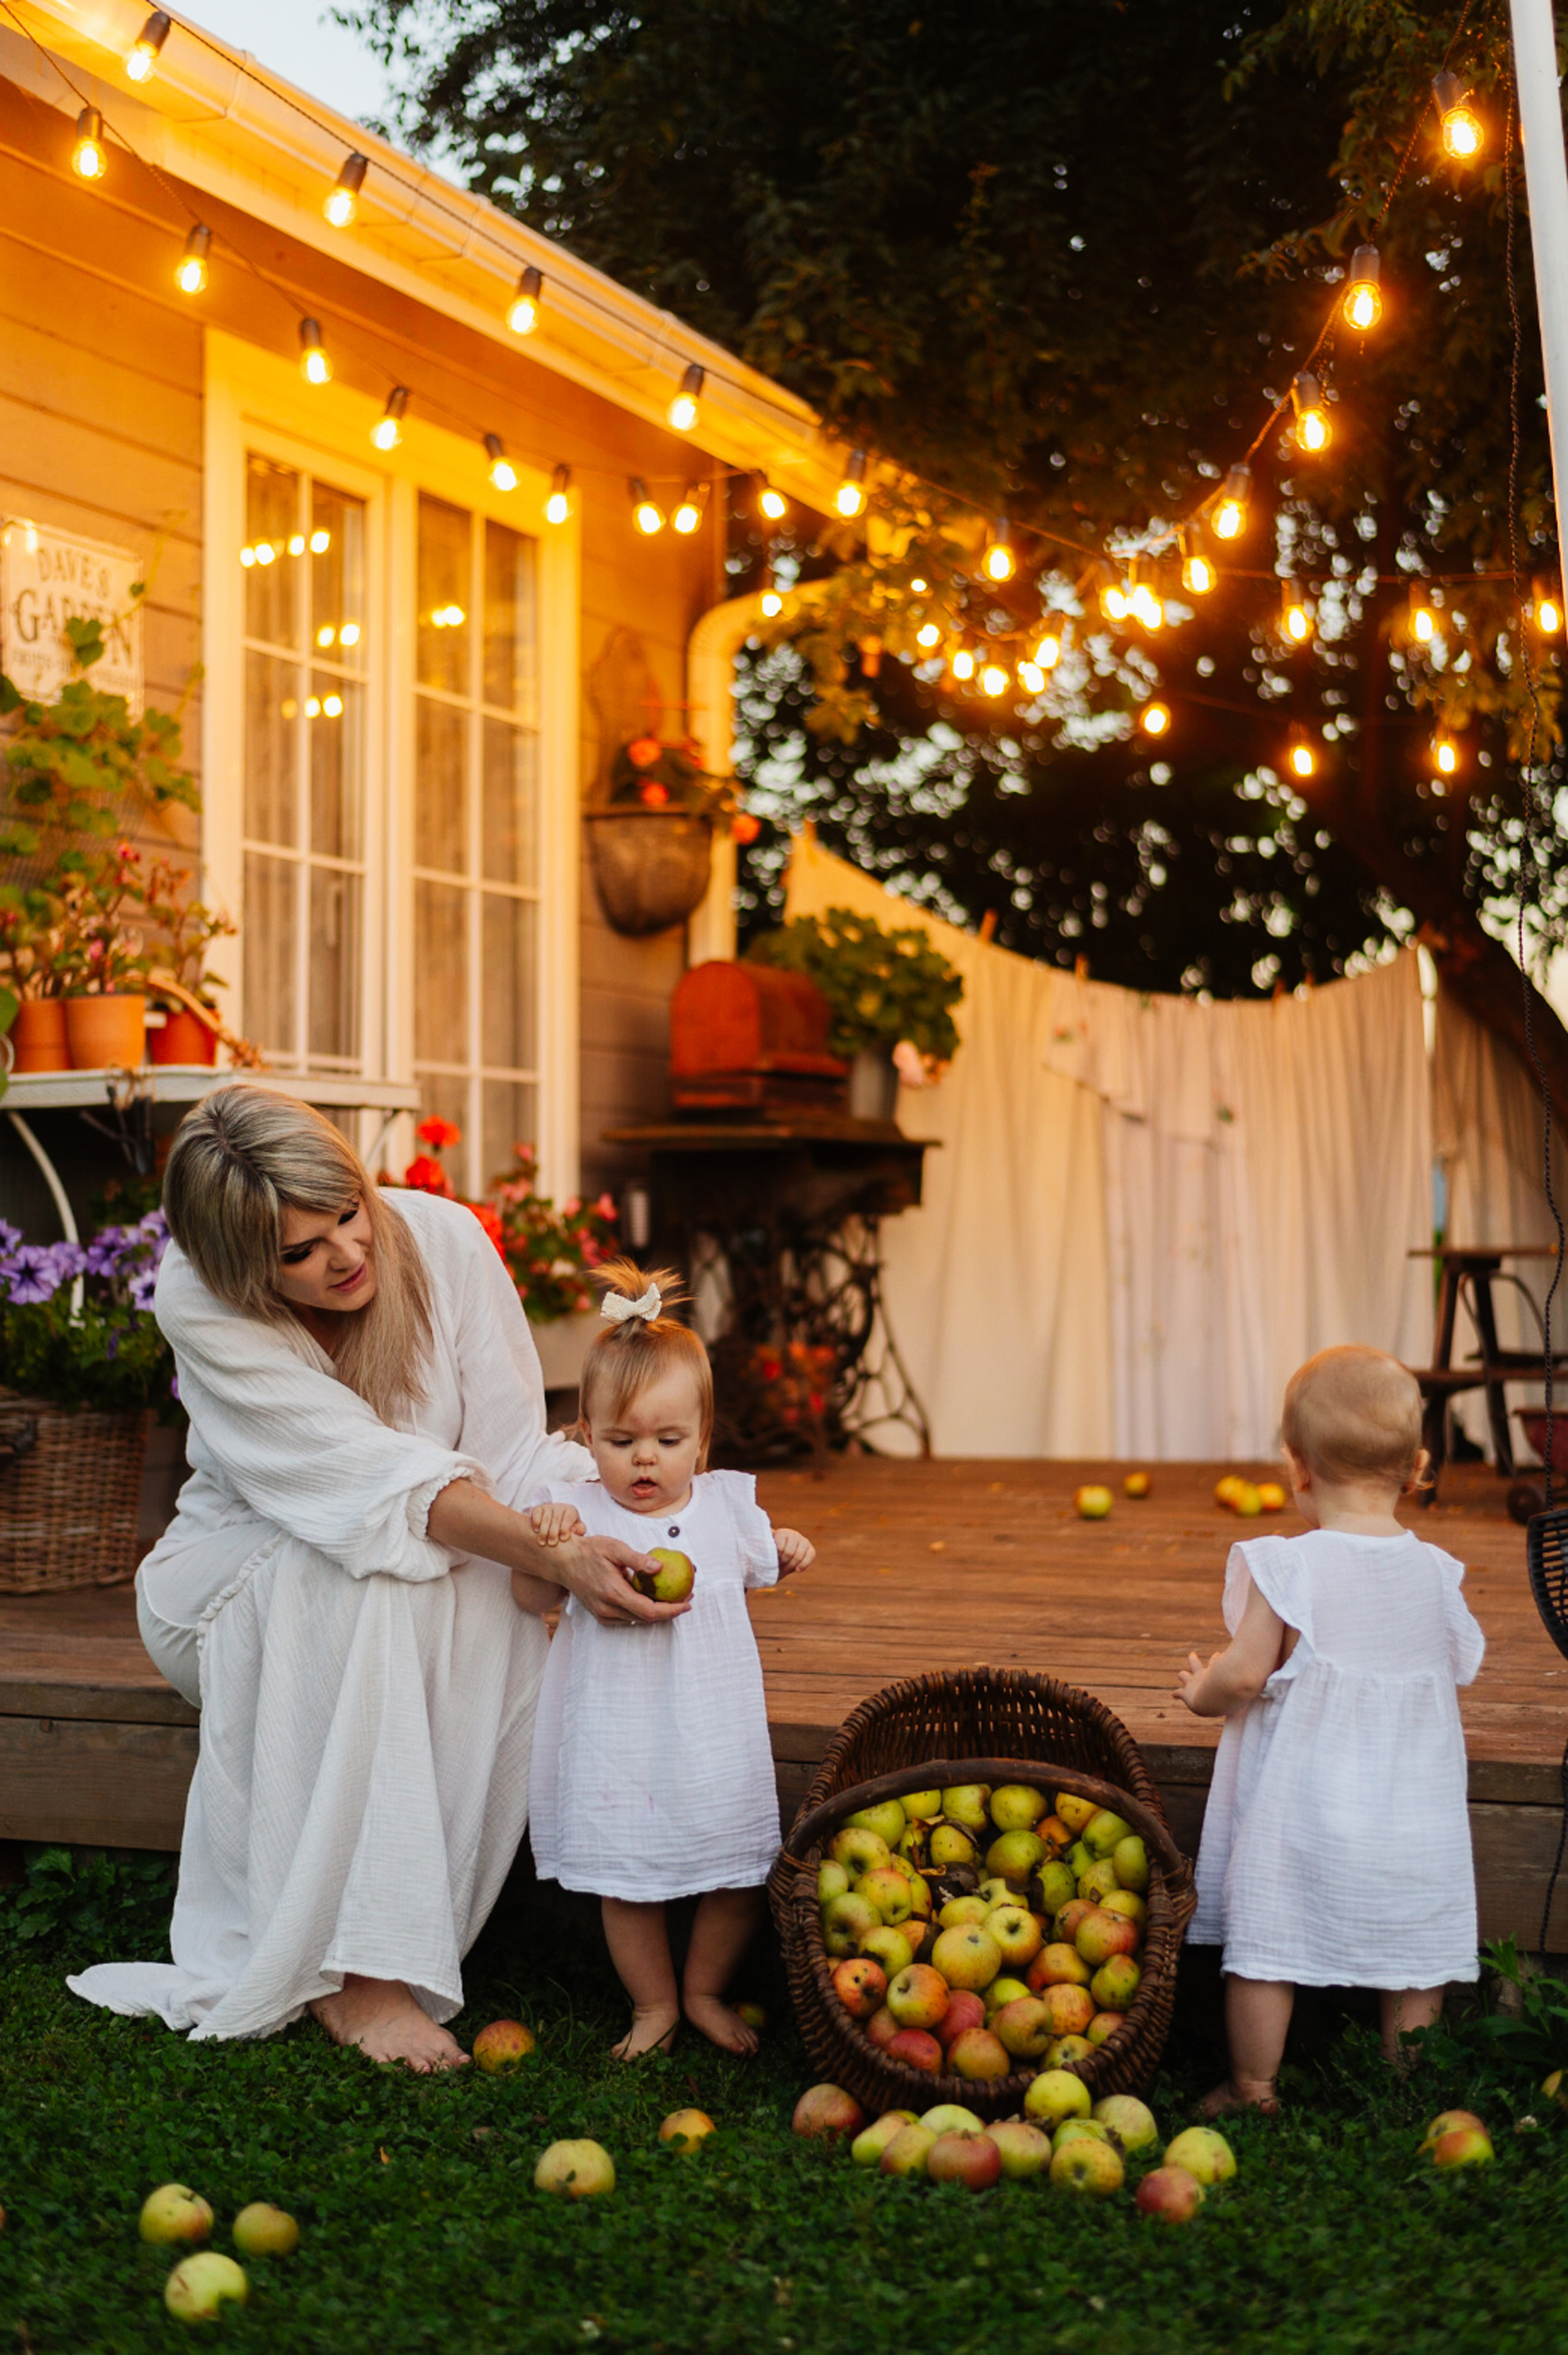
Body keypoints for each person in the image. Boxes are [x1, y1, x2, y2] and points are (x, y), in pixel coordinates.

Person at [68, 1085, 685, 2071]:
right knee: (356, 1571)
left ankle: (389, 1921)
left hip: (413, 1544)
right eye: (299, 1253)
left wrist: (572, 1544)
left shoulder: (441, 1238)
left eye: (347, 1214)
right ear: (239, 1268)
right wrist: (541, 1550)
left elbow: (506, 1449)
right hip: (231, 1579)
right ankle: (362, 1975)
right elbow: (358, 1481)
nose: (346, 1256)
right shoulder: (197, 1297)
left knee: (490, 1588)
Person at [1177, 1344, 1486, 2114]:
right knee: (1416, 1953)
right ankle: (1402, 2082)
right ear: (1417, 1466)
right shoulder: (1436, 1572)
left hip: (1306, 1801)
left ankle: (1254, 2084)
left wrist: (1199, 1691)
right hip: (1412, 1805)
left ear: (1298, 1468)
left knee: (1265, 1942)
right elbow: (1452, 1666)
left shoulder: (1289, 1565)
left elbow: (1245, 1672)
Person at [522, 1260, 816, 2057]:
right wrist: (544, 1545)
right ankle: (653, 2003)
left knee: (737, 1871)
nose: (644, 1460)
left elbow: (764, 1560)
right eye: (621, 1441)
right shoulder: (576, 1508)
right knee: (627, 1881)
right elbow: (526, 1598)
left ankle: (705, 1989)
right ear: (588, 1436)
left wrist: (782, 1547)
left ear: (704, 1440)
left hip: (712, 1733)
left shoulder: (726, 1506)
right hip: (618, 1737)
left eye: (667, 1440)